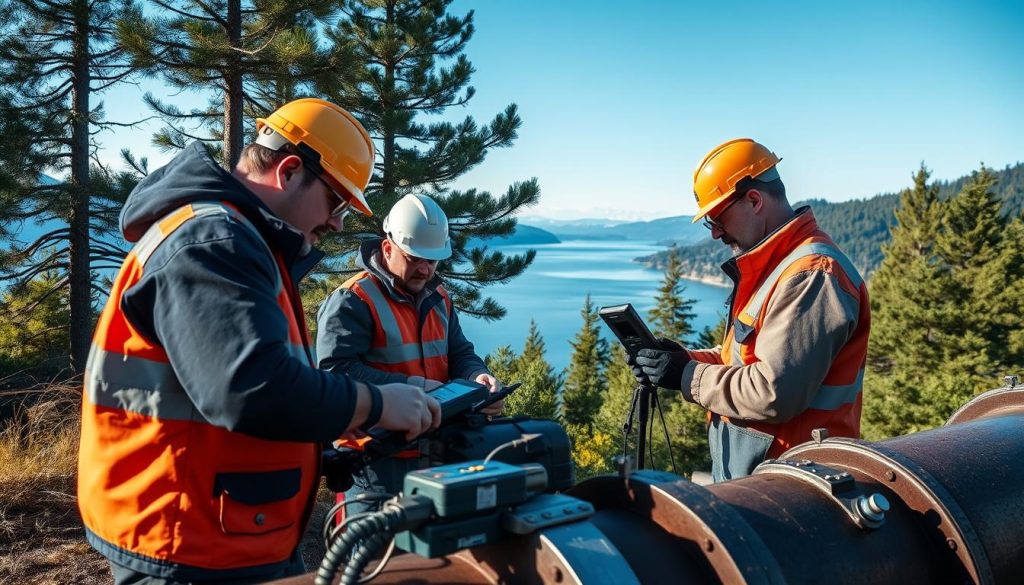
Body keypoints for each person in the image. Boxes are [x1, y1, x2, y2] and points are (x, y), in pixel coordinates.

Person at [77, 98, 441, 585]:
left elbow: (230, 391)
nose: (335, 222)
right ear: (290, 171)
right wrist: (378, 403)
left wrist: (318, 451)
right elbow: (250, 388)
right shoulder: (213, 241)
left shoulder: (239, 240)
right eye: (335, 201)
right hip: (186, 540)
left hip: (223, 528)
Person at [631, 138, 869, 482]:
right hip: (765, 477)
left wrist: (686, 375)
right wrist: (681, 358)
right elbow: (743, 360)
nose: (714, 234)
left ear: (754, 200)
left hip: (798, 482)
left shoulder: (813, 274)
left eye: (717, 219)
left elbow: (772, 392)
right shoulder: (777, 267)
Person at [316, 193, 503, 511]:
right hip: (374, 466)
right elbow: (336, 374)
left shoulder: (439, 297)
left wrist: (477, 376)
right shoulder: (353, 300)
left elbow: (459, 351)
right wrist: (416, 389)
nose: (425, 269)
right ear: (388, 248)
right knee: (374, 558)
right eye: (415, 258)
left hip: (434, 455)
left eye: (432, 260)